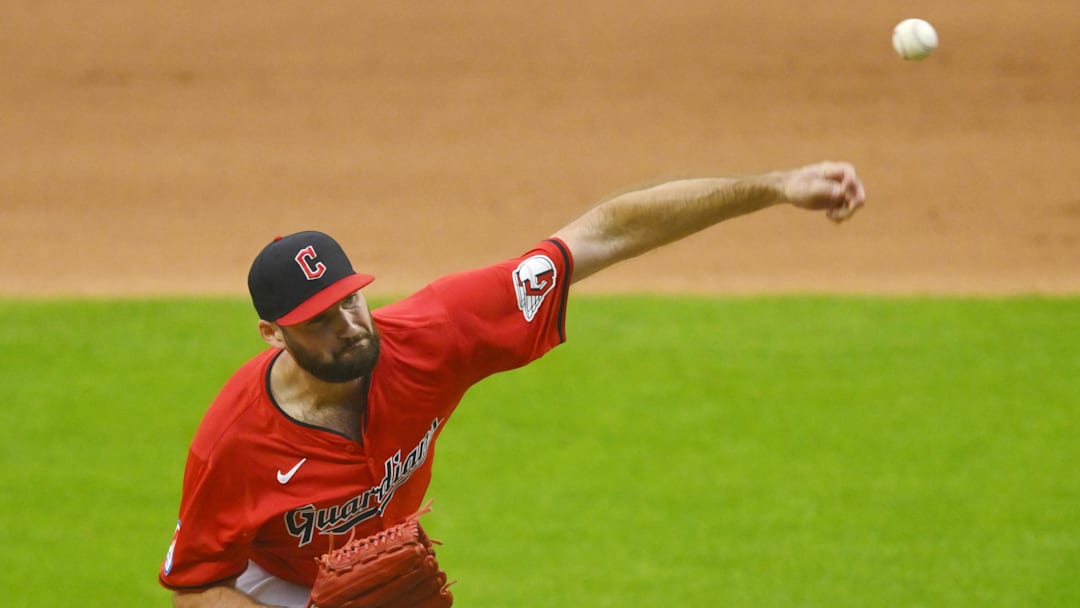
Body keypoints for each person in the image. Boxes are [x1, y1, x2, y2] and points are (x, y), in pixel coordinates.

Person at [159, 161, 866, 607]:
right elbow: (195, 583)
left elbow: (600, 235)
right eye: (317, 318)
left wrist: (775, 188)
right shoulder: (235, 442)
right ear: (272, 333)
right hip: (274, 591)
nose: (347, 323)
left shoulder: (436, 333)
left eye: (350, 299)